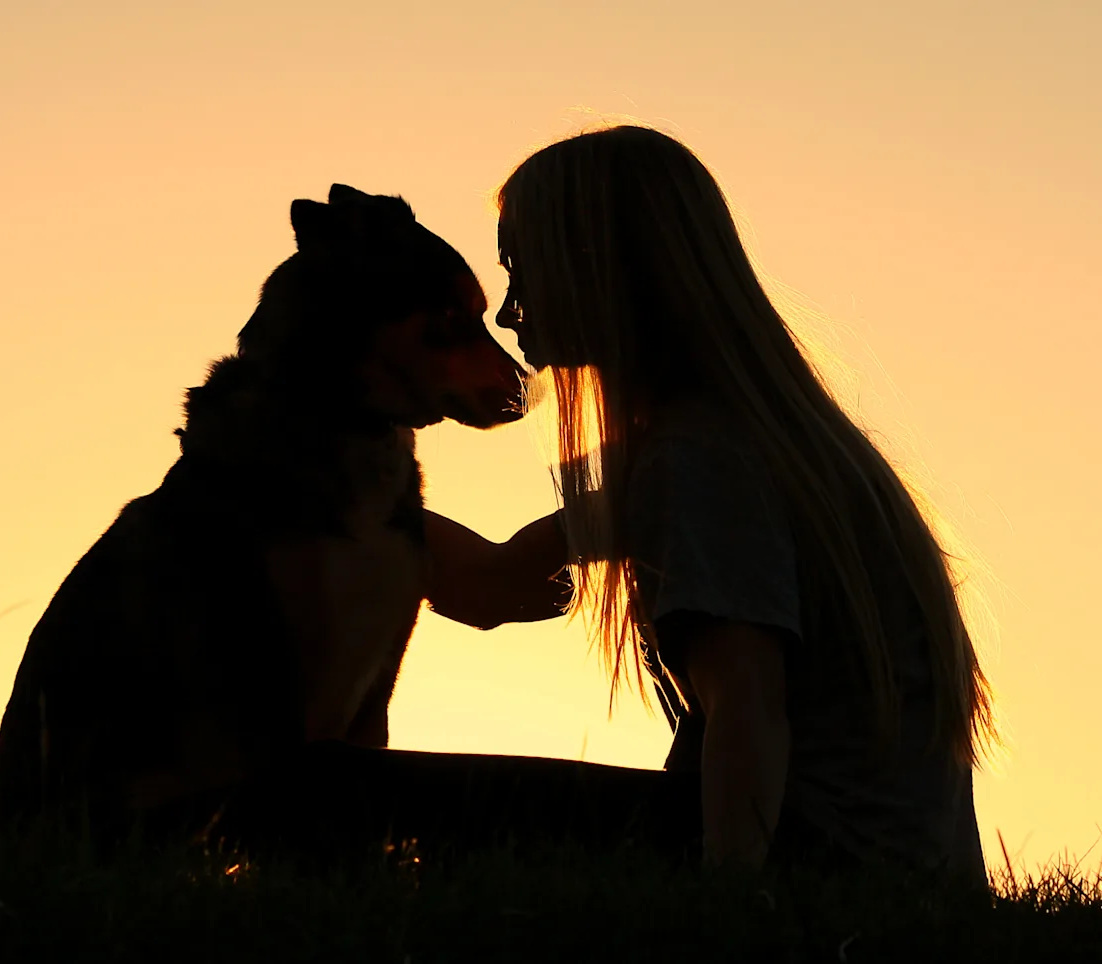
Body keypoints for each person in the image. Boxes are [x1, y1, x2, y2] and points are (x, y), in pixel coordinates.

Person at [420, 125, 996, 878]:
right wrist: (303, 483)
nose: (509, 311)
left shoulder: (700, 457)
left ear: (605, 266)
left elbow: (748, 709)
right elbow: (491, 584)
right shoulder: (741, 437)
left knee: (351, 799)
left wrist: (724, 913)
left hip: (825, 874)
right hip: (882, 875)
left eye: (523, 270)